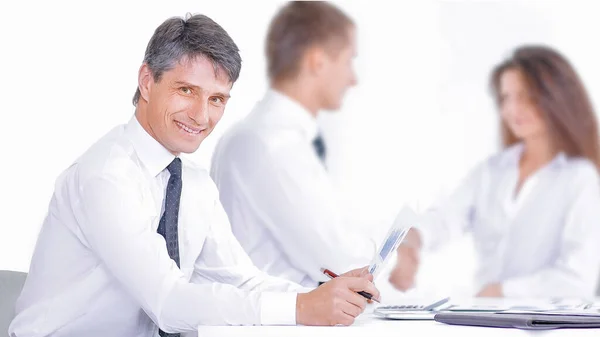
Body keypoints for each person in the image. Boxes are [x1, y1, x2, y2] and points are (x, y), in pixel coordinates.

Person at [8, 13, 380, 337]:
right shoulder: (106, 177)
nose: (202, 116)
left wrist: (324, 297)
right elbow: (167, 301)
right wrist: (300, 308)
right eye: (187, 90)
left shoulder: (194, 184)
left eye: (217, 99)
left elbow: (241, 279)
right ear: (147, 82)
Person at [389, 45, 600, 298]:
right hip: (486, 317)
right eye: (506, 97)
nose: (512, 109)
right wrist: (412, 239)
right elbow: (446, 218)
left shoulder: (580, 178)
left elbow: (578, 279)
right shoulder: (492, 171)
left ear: (555, 97)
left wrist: (501, 291)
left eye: (524, 96)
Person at [210, 1, 385, 288]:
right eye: (348, 60)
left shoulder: (270, 137)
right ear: (317, 60)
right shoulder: (272, 144)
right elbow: (342, 263)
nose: (353, 79)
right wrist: (396, 253)